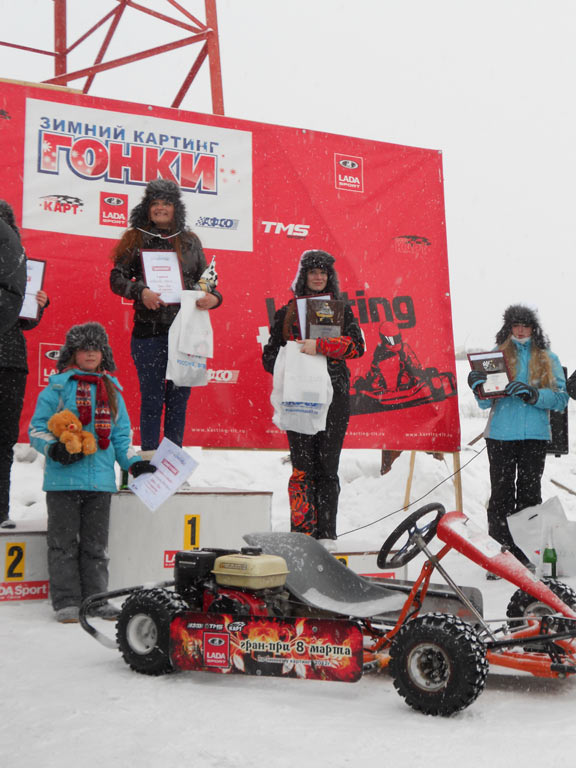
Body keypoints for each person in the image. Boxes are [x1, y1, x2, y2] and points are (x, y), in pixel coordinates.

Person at [29, 322, 156, 623]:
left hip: (100, 484)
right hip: (62, 482)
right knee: (62, 545)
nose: (90, 354)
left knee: (96, 547)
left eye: (96, 348)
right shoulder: (57, 388)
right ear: (72, 353)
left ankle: (97, 600)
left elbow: (121, 437)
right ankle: (66, 602)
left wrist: (133, 463)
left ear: (103, 354)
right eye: (84, 348)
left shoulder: (112, 391)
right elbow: (37, 429)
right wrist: (55, 449)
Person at [109, 179, 222, 455]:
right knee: (151, 399)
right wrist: (140, 291)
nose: (160, 208)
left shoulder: (190, 241)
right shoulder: (134, 239)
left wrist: (214, 298)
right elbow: (116, 278)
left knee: (178, 401)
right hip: (149, 333)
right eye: (155, 203)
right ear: (146, 208)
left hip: (186, 334)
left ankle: (172, 462)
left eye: (166, 203)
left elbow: (207, 282)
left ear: (176, 208)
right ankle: (149, 457)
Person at [262, 250, 364, 549]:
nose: (318, 277)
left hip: (334, 396)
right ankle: (302, 535)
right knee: (302, 468)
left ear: (329, 277)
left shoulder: (342, 310)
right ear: (303, 276)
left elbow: (357, 347)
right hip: (298, 398)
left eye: (323, 272)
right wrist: (291, 357)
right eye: (312, 272)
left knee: (328, 468)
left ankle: (327, 535)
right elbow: (269, 356)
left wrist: (320, 345)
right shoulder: (287, 312)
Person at [467, 304, 568, 574]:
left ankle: (526, 553)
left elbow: (561, 399)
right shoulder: (495, 357)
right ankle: (499, 555)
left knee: (529, 495)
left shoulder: (548, 358)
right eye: (516, 325)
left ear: (534, 329)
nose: (521, 331)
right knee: (500, 495)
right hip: (500, 435)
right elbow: (485, 403)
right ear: (509, 328)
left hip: (535, 436)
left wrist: (534, 395)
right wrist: (477, 387)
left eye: (525, 326)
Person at [0, 200, 46, 529]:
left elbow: (24, 320)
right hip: (12, 362)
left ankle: (1, 511)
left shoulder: (19, 262)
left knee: (3, 441)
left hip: (11, 360)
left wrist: (38, 306)